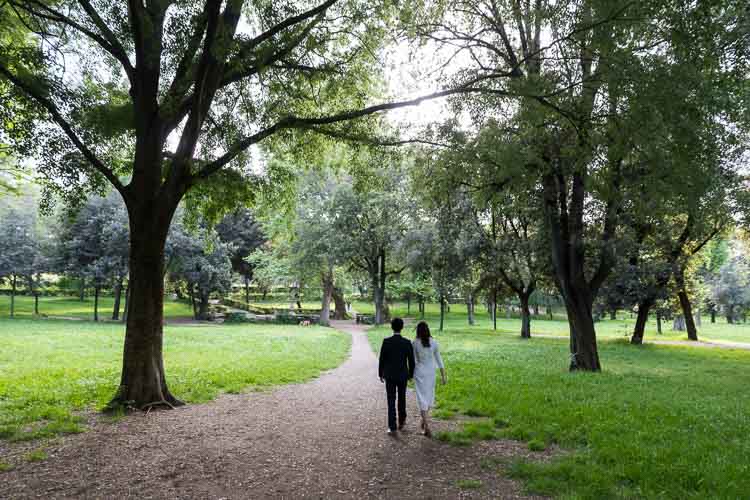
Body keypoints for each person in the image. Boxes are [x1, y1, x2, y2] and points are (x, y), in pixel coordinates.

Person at [378, 317, 415, 434]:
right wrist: (411, 374)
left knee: (391, 399)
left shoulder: (386, 341)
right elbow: (412, 361)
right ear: (402, 327)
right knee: (402, 398)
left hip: (389, 374)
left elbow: (381, 359)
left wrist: (380, 373)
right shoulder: (407, 343)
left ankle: (392, 426)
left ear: (391, 327)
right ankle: (402, 421)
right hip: (403, 375)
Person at [412, 321, 446, 438]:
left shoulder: (415, 343)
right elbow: (439, 359)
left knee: (422, 398)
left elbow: (413, 361)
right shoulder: (434, 342)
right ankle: (424, 421)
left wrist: (411, 374)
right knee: (429, 396)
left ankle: (426, 425)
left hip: (419, 372)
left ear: (418, 331)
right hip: (431, 372)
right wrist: (443, 376)